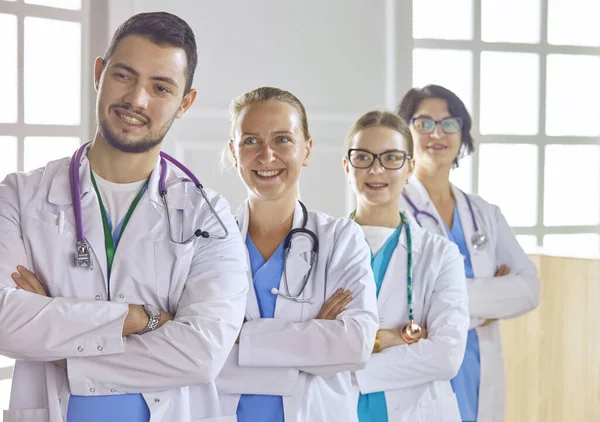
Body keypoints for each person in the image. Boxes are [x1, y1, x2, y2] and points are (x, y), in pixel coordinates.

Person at [0, 12, 248, 422]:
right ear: (99, 72)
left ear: (185, 103)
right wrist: (139, 319)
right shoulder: (19, 197)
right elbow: (4, 321)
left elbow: (202, 354)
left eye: (161, 87)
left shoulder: (209, 217)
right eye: (124, 76)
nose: (137, 99)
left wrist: (61, 345)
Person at [215, 86, 379, 422]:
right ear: (234, 153)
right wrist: (312, 342)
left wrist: (237, 337)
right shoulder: (208, 242)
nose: (267, 155)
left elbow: (355, 344)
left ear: (307, 149)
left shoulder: (341, 239)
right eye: (250, 141)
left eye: (282, 140)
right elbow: (198, 351)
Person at [397, 85, 541, 422]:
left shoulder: (484, 213)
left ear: (463, 134)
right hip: (419, 370)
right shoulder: (392, 209)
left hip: (478, 367)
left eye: (450, 123)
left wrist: (446, 305)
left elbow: (529, 290)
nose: (438, 133)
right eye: (424, 123)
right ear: (405, 131)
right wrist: (490, 298)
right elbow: (408, 302)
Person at [343, 110, 469, 421]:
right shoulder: (320, 250)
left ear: (409, 167)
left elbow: (446, 356)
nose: (376, 169)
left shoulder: (441, 255)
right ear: (347, 166)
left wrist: (347, 368)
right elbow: (309, 341)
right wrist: (387, 339)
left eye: (391, 158)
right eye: (363, 157)